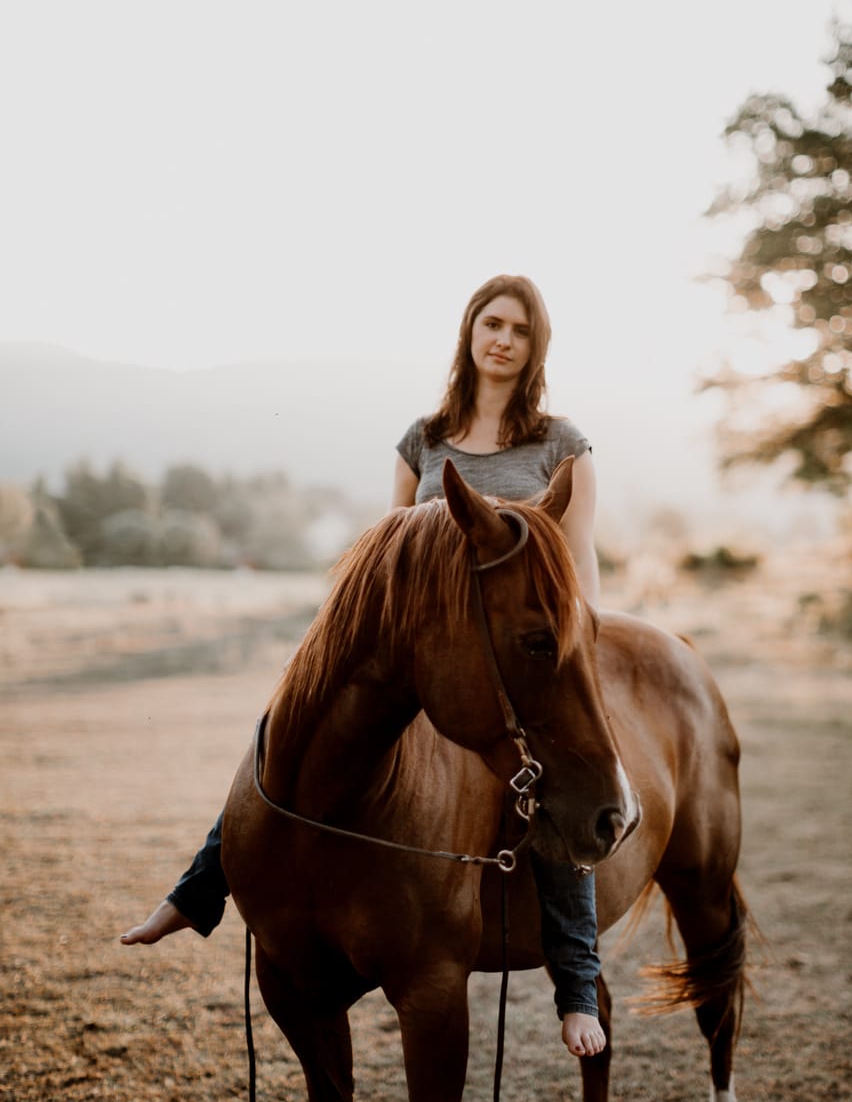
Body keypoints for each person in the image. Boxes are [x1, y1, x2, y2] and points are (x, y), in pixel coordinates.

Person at [122, 274, 607, 1059]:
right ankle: (200, 888)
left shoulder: (561, 444)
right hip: (429, 648)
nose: (504, 340)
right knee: (294, 723)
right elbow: (389, 555)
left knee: (554, 777)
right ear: (470, 331)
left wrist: (570, 647)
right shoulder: (423, 439)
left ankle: (578, 982)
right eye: (493, 323)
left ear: (536, 345)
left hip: (520, 648)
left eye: (521, 329)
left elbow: (577, 566)